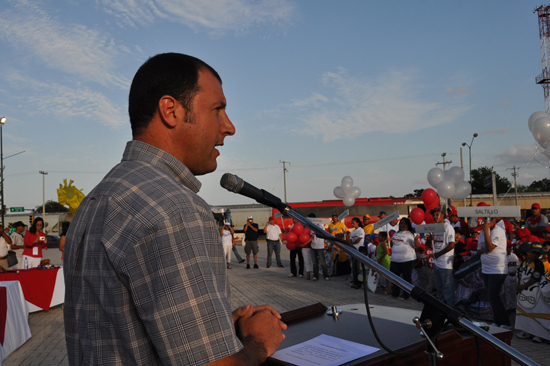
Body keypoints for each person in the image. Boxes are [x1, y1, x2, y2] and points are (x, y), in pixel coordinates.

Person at [63, 53, 286, 365]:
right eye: (217, 109)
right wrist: (258, 343)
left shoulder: (99, 198)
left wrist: (215, 330)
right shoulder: (176, 208)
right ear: (171, 110)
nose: (229, 127)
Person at [477, 217, 510, 328]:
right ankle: (497, 319)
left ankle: (505, 321)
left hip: (497, 268)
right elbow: (479, 250)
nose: (485, 222)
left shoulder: (498, 231)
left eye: (487, 220)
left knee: (493, 295)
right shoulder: (481, 234)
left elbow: (490, 247)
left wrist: (486, 231)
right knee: (491, 296)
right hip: (486, 268)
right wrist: (486, 247)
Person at [516, 241, 545, 342]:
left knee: (534, 312)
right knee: (524, 311)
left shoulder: (539, 264)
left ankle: (537, 334)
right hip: (523, 290)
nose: (535, 255)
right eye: (533, 252)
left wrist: (522, 286)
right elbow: (519, 275)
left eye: (538, 253)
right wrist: (519, 285)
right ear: (529, 252)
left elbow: (535, 278)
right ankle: (527, 331)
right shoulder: (524, 262)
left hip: (534, 291)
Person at [389, 217, 422, 299]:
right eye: (402, 223)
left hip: (407, 260)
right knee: (394, 277)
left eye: (405, 223)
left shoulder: (411, 234)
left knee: (406, 278)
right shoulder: (396, 233)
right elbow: (392, 244)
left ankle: (406, 295)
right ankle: (395, 293)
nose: (403, 225)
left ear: (408, 225)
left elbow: (418, 247)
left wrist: (416, 240)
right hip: (395, 260)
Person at [431, 207, 456, 307]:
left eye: (437, 214)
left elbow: (451, 245)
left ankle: (450, 310)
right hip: (437, 262)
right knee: (439, 288)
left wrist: (438, 254)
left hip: (445, 263)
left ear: (443, 215)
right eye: (434, 215)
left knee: (447, 288)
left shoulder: (448, 227)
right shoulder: (436, 227)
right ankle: (442, 308)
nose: (435, 217)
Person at [308, 213, 329, 281]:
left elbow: (322, 232)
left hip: (320, 246)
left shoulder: (319, 223)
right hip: (313, 246)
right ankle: (315, 276)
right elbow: (311, 236)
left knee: (322, 262)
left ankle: (326, 276)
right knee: (314, 262)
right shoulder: (310, 226)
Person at [347, 217, 365, 289]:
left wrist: (352, 244)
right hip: (353, 251)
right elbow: (350, 241)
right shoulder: (353, 232)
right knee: (354, 267)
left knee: (358, 267)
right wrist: (347, 237)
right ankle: (355, 282)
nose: (352, 224)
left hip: (359, 251)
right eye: (352, 223)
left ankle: (359, 283)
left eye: (353, 223)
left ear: (358, 223)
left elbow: (358, 240)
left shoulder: (361, 230)